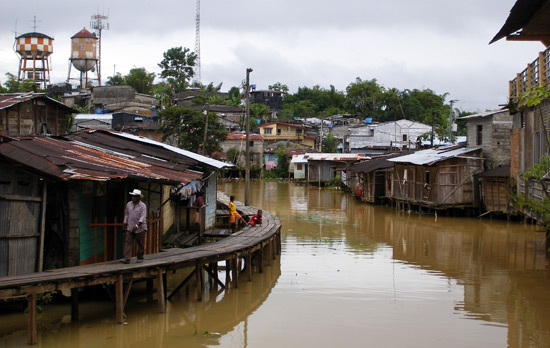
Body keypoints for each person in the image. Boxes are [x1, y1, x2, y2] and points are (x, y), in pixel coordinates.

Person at [120, 189, 147, 264]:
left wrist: (137, 225)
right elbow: (127, 214)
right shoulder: (129, 204)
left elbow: (143, 217)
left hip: (140, 228)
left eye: (134, 196)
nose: (133, 198)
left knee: (140, 243)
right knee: (128, 241)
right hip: (130, 226)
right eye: (132, 196)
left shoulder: (143, 206)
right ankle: (127, 258)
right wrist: (125, 222)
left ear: (138, 197)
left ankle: (140, 257)